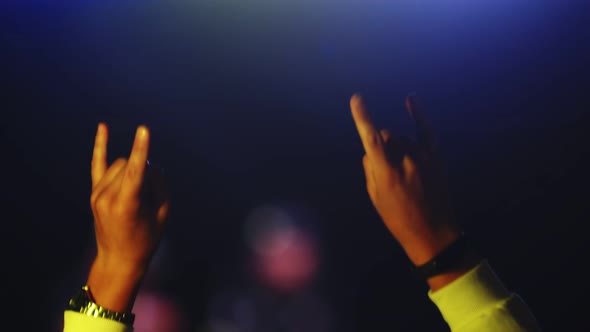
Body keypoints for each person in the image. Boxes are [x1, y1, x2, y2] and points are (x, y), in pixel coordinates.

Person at [62, 94, 541, 332]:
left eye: (296, 244)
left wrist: (117, 266)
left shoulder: (333, 305)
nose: (290, 256)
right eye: (278, 246)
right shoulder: (236, 306)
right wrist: (440, 249)